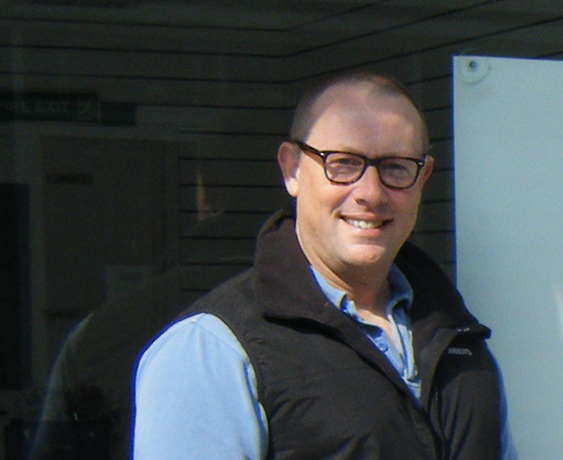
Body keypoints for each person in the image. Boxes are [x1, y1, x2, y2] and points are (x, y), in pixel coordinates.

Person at [132, 71, 515, 460]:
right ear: (291, 169)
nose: (370, 193)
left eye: (396, 167)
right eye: (343, 163)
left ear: (423, 178)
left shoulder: (457, 339)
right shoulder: (212, 352)